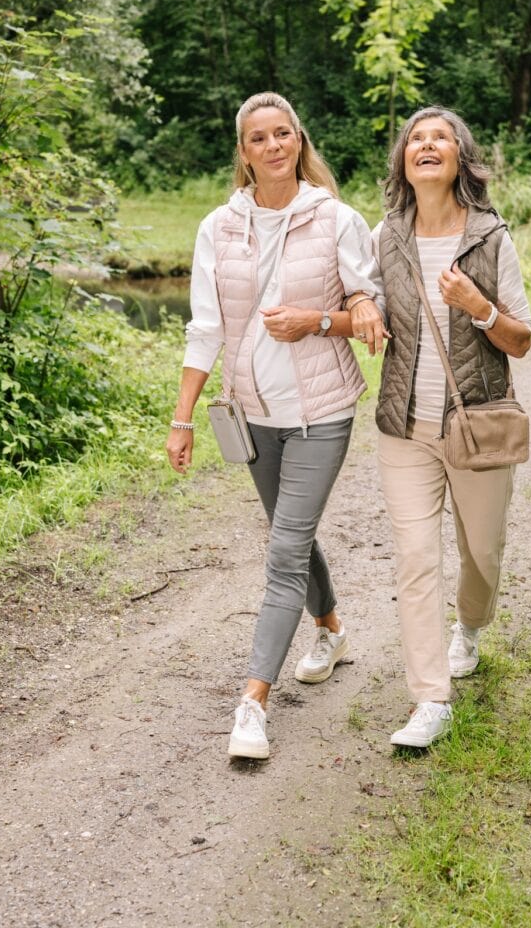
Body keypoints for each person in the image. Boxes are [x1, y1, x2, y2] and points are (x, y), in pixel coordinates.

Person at [166, 91, 386, 760]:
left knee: (284, 550)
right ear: (243, 151)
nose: (272, 146)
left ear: (299, 141)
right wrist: (182, 418)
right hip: (253, 414)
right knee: (292, 534)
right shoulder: (218, 227)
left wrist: (322, 319)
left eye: (282, 134)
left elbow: (366, 304)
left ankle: (252, 703)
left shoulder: (336, 218)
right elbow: (206, 327)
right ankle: (332, 630)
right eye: (258, 137)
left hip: (322, 411)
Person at [367, 106, 531, 748]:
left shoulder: (491, 237)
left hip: (478, 424)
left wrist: (478, 307)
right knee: (415, 559)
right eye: (416, 138)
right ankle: (430, 699)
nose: (427, 144)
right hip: (403, 428)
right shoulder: (386, 235)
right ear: (404, 161)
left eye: (441, 137)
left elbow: (520, 339)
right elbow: (365, 297)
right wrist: (360, 309)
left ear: (460, 156)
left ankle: (471, 625)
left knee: (481, 554)